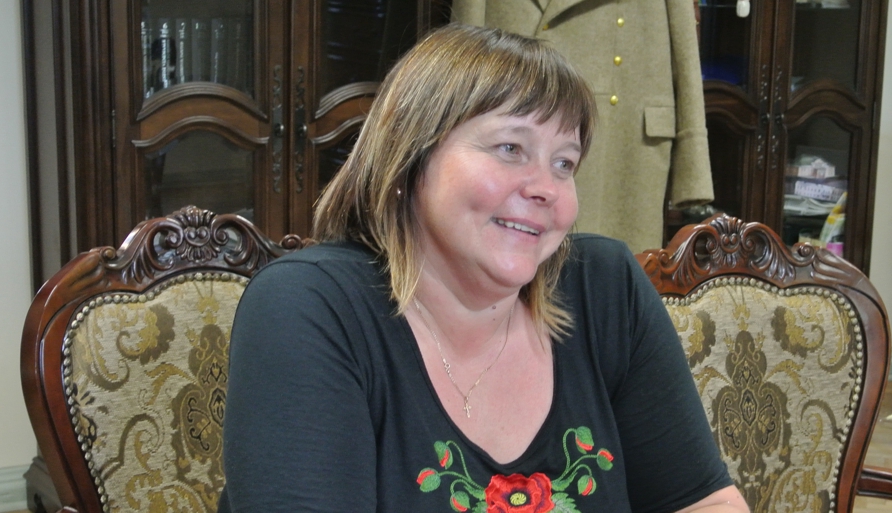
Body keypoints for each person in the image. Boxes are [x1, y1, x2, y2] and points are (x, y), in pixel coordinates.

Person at [219, 24, 749, 513]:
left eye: (564, 162)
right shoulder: (308, 308)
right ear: (409, 159)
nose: (545, 188)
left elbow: (706, 503)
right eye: (510, 148)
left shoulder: (604, 287)